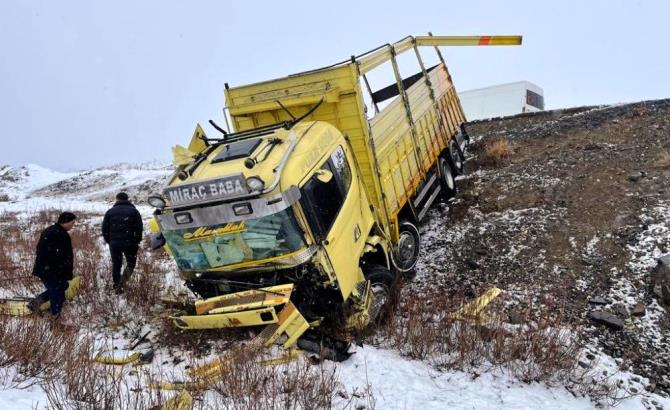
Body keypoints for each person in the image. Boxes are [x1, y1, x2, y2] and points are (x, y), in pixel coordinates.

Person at [28, 212, 76, 318]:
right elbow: (56, 255)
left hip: (49, 268)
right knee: (56, 290)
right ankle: (55, 316)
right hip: (50, 270)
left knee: (61, 286)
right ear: (66, 222)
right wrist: (59, 269)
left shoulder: (54, 231)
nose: (73, 225)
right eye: (72, 222)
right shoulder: (57, 234)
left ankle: (35, 303)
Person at [102, 192, 143, 294]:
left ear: (117, 199)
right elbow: (139, 228)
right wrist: (136, 241)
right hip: (130, 243)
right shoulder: (134, 211)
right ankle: (122, 284)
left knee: (116, 264)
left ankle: (117, 284)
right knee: (130, 264)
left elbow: (104, 229)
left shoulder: (110, 212)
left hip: (114, 243)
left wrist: (110, 241)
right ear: (127, 199)